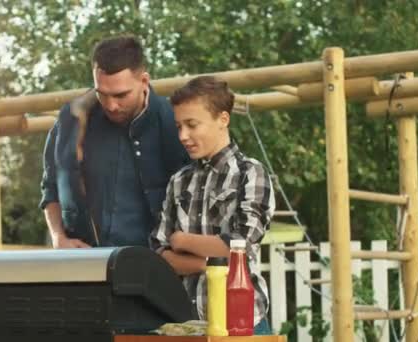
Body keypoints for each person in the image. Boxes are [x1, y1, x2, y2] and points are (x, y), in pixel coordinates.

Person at [150, 76, 275, 334]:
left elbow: (241, 246)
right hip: (187, 326)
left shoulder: (250, 173)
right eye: (179, 126)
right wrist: (211, 262)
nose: (183, 136)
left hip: (242, 326)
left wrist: (182, 241)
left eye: (192, 125)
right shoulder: (179, 181)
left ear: (223, 119)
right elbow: (159, 255)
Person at [40, 35, 189, 248]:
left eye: (121, 95)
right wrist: (58, 237)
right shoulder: (71, 123)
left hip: (155, 266)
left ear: (144, 81)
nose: (111, 105)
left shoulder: (174, 123)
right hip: (84, 265)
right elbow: (50, 187)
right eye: (102, 94)